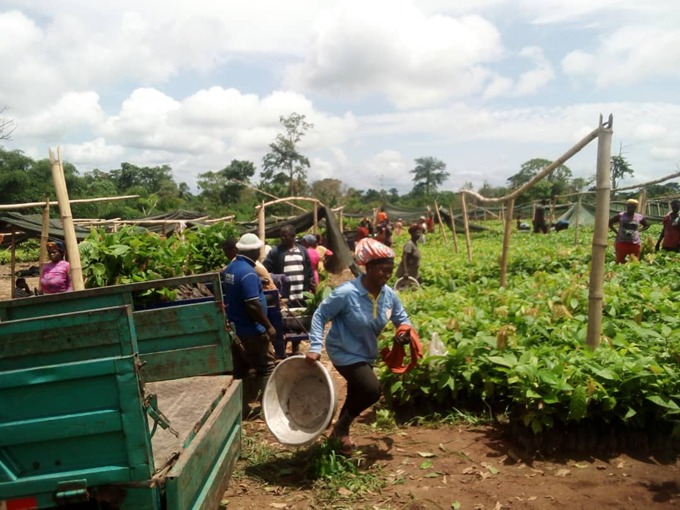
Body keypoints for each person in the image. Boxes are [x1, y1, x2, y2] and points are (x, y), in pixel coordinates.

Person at [306, 237, 417, 455]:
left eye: (390, 271)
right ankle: (342, 427)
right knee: (371, 390)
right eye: (382, 270)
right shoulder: (347, 293)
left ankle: (339, 434)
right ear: (368, 267)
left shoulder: (389, 296)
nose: (387, 275)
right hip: (343, 351)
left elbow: (402, 318)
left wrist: (403, 332)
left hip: (366, 353)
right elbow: (320, 315)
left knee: (357, 391)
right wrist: (315, 347)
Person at [221, 233, 277, 418]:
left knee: (242, 370)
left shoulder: (232, 268)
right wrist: (268, 326)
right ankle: (267, 408)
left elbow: (238, 288)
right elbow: (252, 304)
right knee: (267, 366)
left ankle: (242, 409)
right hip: (252, 330)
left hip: (237, 328)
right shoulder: (248, 273)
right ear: (254, 250)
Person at [263, 225, 316, 307]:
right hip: (285, 299)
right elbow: (265, 269)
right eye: (281, 236)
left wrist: (313, 285)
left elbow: (309, 271)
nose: (282, 238)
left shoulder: (303, 251)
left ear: (293, 236)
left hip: (301, 296)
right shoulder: (275, 252)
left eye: (285, 236)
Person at [609, 198, 650, 263]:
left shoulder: (638, 217)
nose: (629, 209)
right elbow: (609, 223)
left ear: (635, 208)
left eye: (631, 207)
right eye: (628, 207)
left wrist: (639, 231)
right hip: (622, 242)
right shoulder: (621, 216)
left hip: (635, 243)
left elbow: (647, 225)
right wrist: (617, 232)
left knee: (634, 262)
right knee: (619, 261)